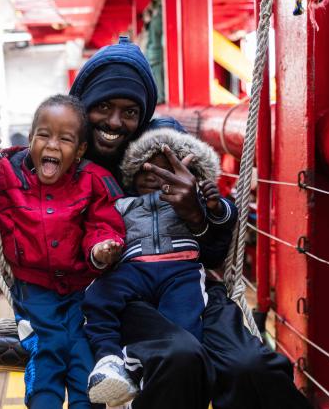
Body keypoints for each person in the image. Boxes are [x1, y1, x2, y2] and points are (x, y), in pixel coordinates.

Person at [0, 36, 312, 409]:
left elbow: (215, 252)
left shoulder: (165, 148)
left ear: (144, 113)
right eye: (102, 106)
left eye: (130, 111)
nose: (115, 122)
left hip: (184, 284)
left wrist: (196, 212)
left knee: (251, 366)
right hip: (110, 298)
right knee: (178, 357)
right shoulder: (46, 164)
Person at [0, 95, 125, 409]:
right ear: (30, 139)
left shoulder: (94, 181)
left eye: (65, 139)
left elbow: (103, 222)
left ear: (80, 151)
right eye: (43, 135)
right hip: (34, 295)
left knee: (85, 358)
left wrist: (101, 248)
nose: (52, 145)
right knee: (46, 355)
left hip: (84, 293)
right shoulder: (4, 180)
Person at [83, 128, 236, 406]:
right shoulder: (123, 205)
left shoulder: (192, 202)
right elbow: (99, 226)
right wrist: (104, 246)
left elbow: (223, 221)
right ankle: (109, 359)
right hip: (134, 268)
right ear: (132, 175)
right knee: (98, 297)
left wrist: (213, 205)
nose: (157, 176)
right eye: (148, 169)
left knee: (184, 324)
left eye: (168, 171)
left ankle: (156, 379)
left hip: (179, 269)